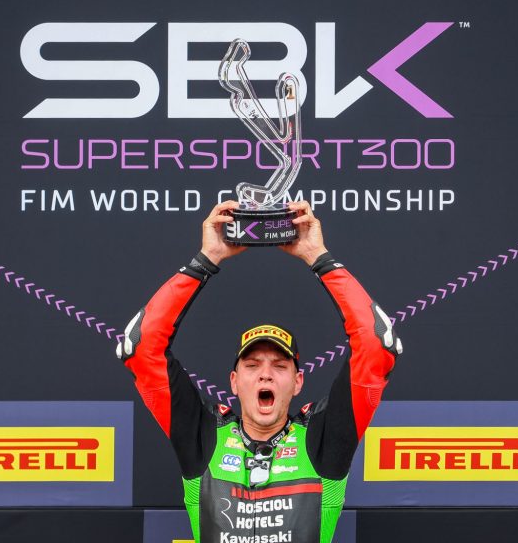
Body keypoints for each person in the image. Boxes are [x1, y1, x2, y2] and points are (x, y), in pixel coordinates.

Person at [116, 200, 403, 543]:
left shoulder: (322, 441)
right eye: (252, 366)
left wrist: (319, 257)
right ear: (234, 382)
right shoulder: (203, 437)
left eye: (280, 366)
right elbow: (141, 347)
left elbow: (376, 345)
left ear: (297, 382)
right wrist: (205, 261)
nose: (265, 375)